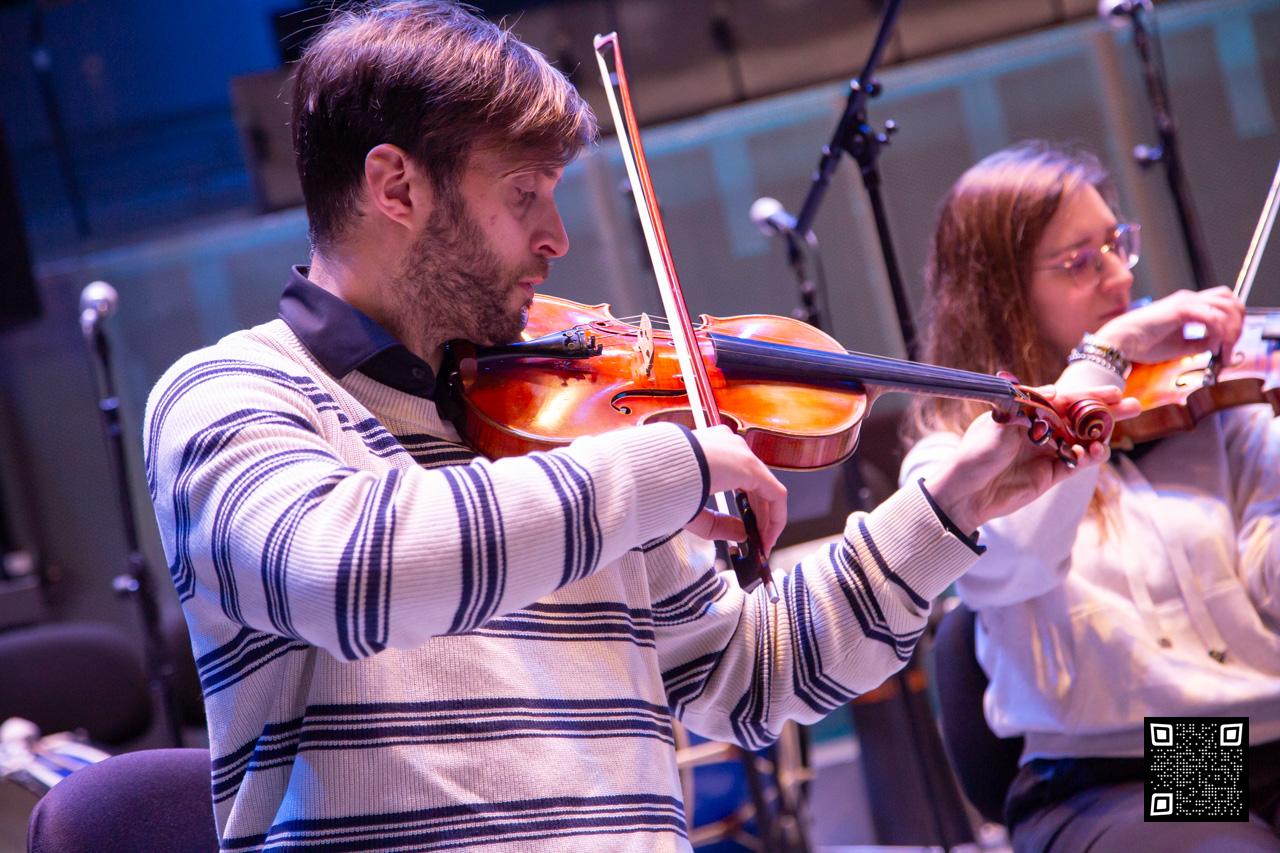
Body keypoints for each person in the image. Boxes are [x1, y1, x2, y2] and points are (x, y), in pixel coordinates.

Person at [143, 7, 1120, 850]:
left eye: (1116, 247)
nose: (555, 238)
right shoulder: (232, 395)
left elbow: (751, 670)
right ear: (395, 188)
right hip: (1105, 789)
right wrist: (660, 467)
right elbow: (348, 571)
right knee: (1209, 815)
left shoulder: (1222, 435)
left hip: (1241, 757)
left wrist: (949, 505)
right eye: (522, 192)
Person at [903, 140, 1280, 851]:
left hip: (1265, 740)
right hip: (1118, 774)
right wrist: (1102, 357)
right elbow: (1015, 558)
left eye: (1115, 245)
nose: (1117, 278)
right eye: (1080, 262)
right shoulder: (952, 459)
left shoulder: (1214, 404)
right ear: (1003, 292)